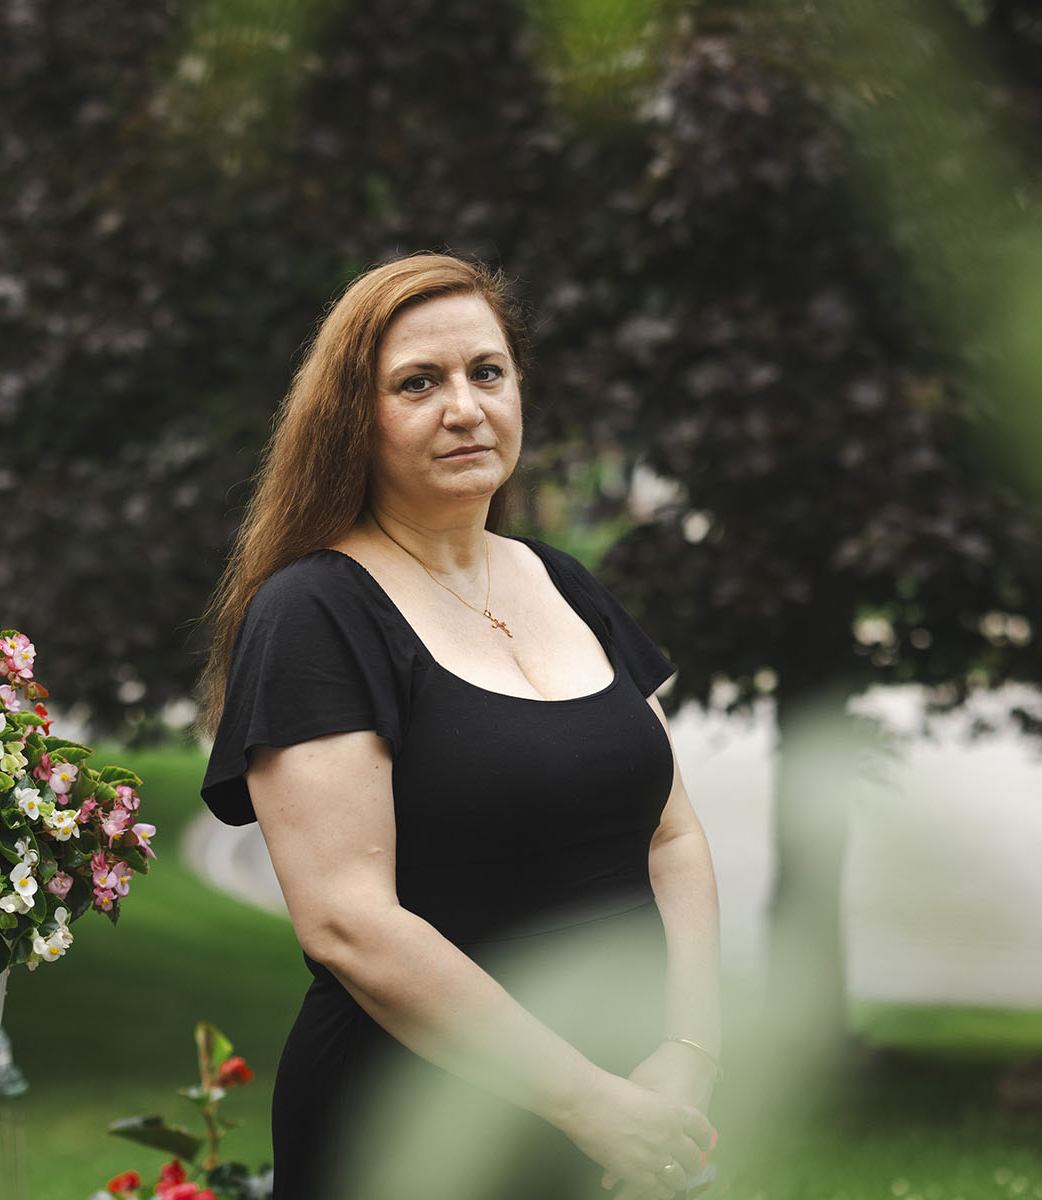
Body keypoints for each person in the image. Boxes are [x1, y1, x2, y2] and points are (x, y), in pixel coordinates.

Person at [198, 253, 722, 1200]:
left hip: (629, 1111)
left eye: (488, 372)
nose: (466, 407)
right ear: (354, 420)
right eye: (418, 383)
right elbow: (348, 922)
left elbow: (674, 834)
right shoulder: (317, 611)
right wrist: (591, 1105)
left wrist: (686, 1054)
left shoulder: (563, 583)